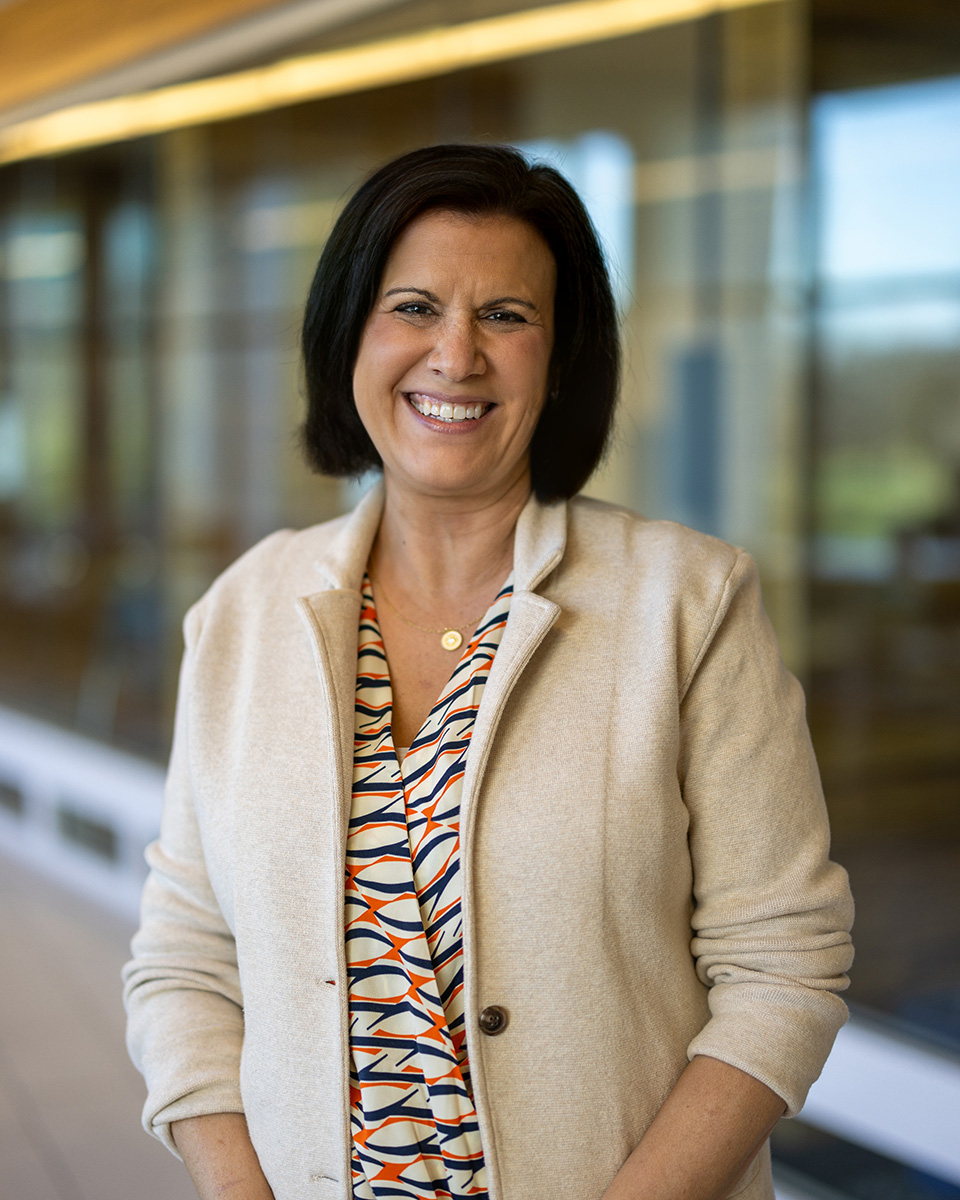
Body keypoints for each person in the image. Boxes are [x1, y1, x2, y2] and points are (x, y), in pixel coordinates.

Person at [123, 143, 854, 1200]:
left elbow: (783, 967)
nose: (455, 356)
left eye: (506, 317)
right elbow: (185, 957)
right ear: (349, 340)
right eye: (413, 307)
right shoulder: (243, 611)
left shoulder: (688, 603)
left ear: (560, 363)